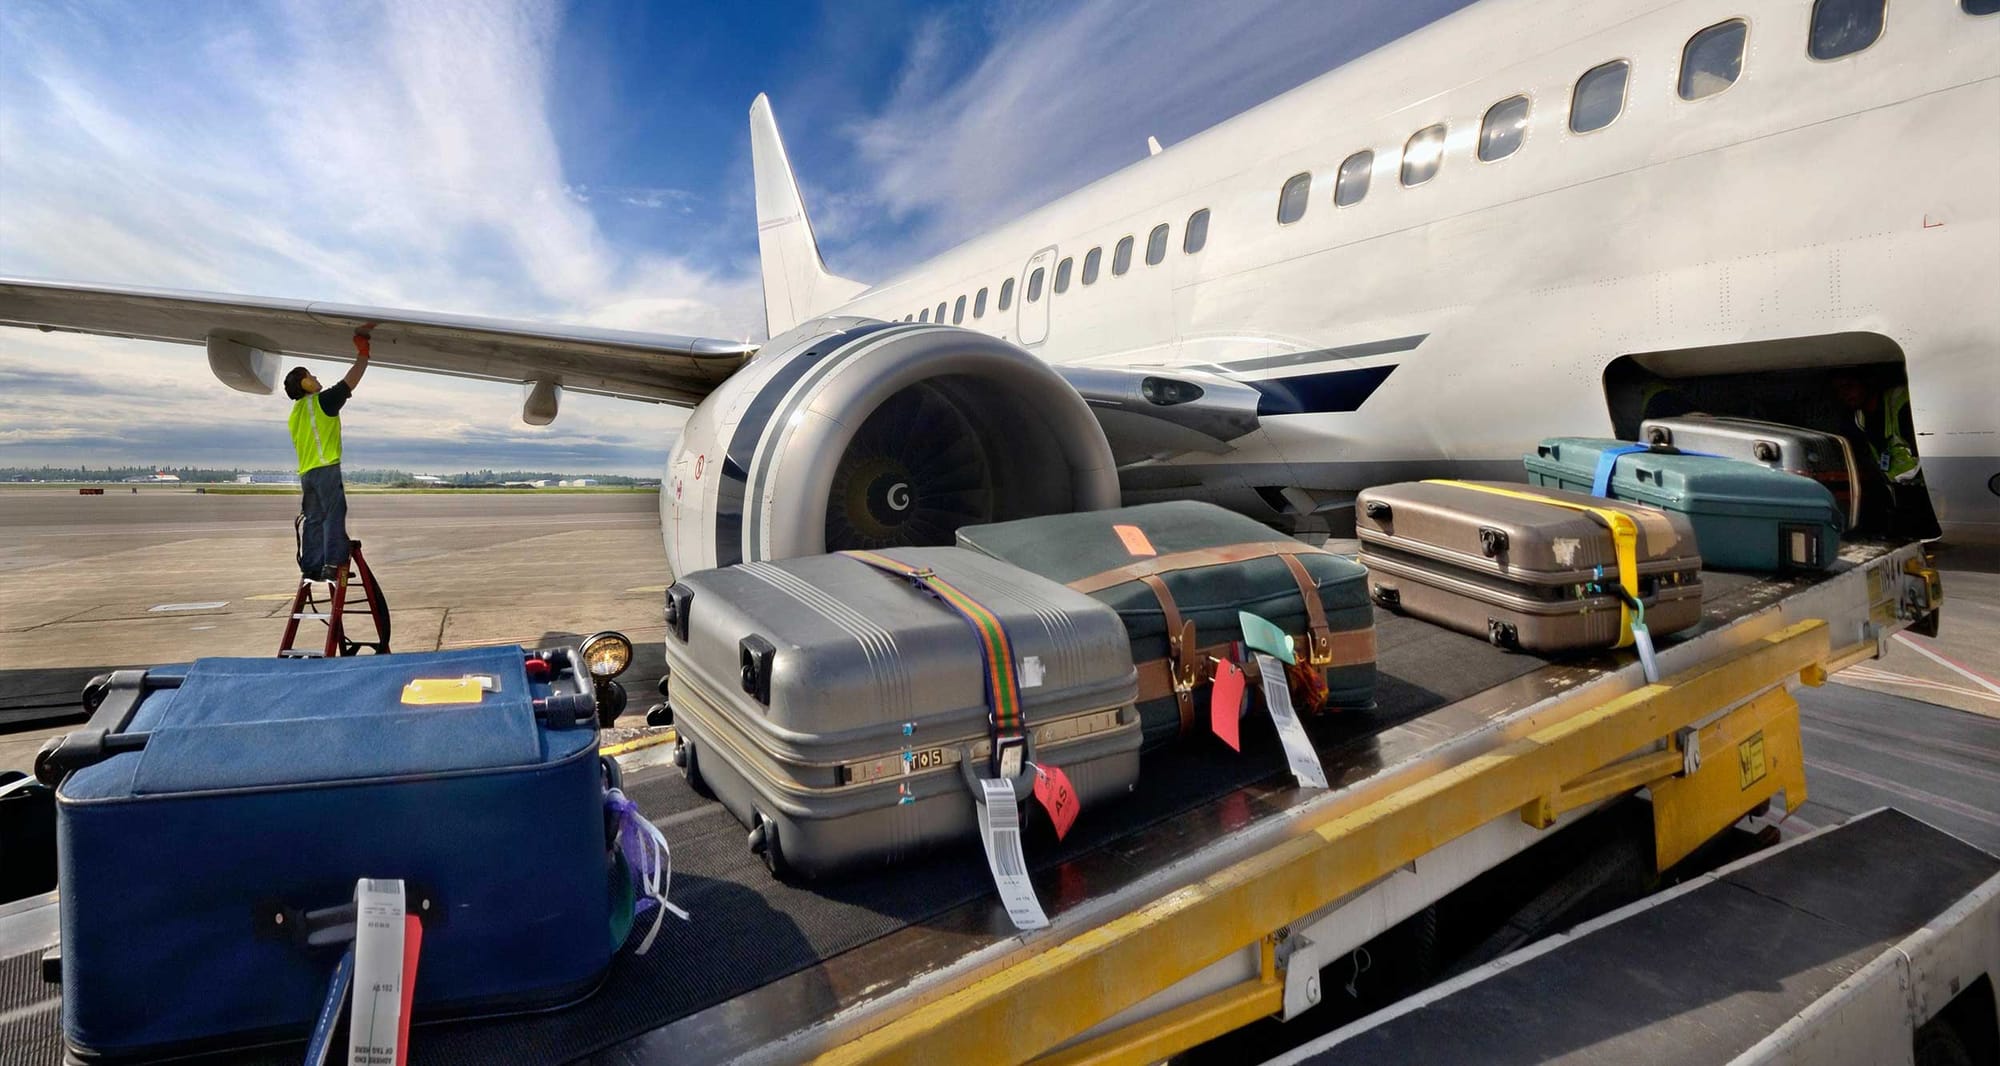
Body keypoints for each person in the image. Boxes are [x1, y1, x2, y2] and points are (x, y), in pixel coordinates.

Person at [284, 334, 371, 580]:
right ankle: (333, 563)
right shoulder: (322, 402)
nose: (315, 378)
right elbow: (350, 382)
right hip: (325, 469)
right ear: (304, 384)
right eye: (310, 376)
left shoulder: (296, 412)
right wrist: (363, 355)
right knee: (334, 514)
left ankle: (312, 566)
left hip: (307, 473)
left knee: (314, 519)